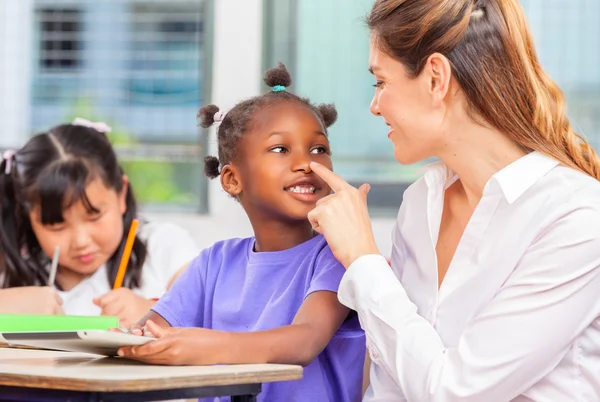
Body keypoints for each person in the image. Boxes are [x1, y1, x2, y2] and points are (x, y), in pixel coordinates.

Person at [306, 0, 600, 401]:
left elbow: (455, 393)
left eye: (381, 82)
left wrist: (362, 259)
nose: (375, 106)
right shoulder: (419, 204)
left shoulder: (575, 219)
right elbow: (390, 385)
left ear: (435, 78)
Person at [118, 63, 366, 402]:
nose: (307, 163)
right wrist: (129, 339)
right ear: (233, 179)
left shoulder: (338, 256)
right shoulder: (214, 263)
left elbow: (304, 341)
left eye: (319, 149)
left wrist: (204, 346)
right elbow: (148, 332)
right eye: (281, 149)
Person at [0, 120, 199, 327]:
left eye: (94, 216)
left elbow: (211, 321)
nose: (81, 241)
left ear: (121, 194)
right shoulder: (11, 263)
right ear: (26, 215)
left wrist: (157, 316)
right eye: (57, 226)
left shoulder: (164, 246)